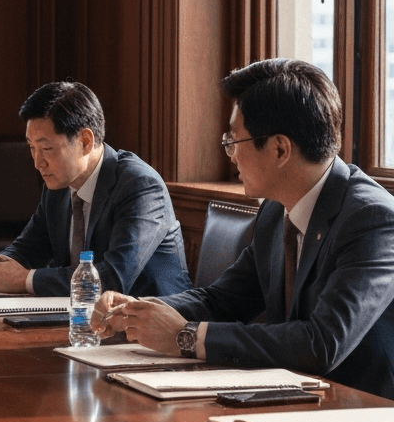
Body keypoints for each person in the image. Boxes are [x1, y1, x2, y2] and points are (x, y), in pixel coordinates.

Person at [93, 58, 394, 400]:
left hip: (364, 413)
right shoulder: (274, 210)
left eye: (234, 140)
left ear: (280, 149)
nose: (230, 156)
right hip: (296, 397)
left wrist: (187, 337)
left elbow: (322, 343)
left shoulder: (374, 220)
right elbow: (222, 301)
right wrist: (138, 310)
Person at [0, 81, 190, 297]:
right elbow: (29, 248)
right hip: (84, 319)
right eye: (32, 148)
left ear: (85, 141)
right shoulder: (58, 185)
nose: (38, 163)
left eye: (46, 148)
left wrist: (25, 280)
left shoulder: (140, 186)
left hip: (152, 323)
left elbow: (114, 278)